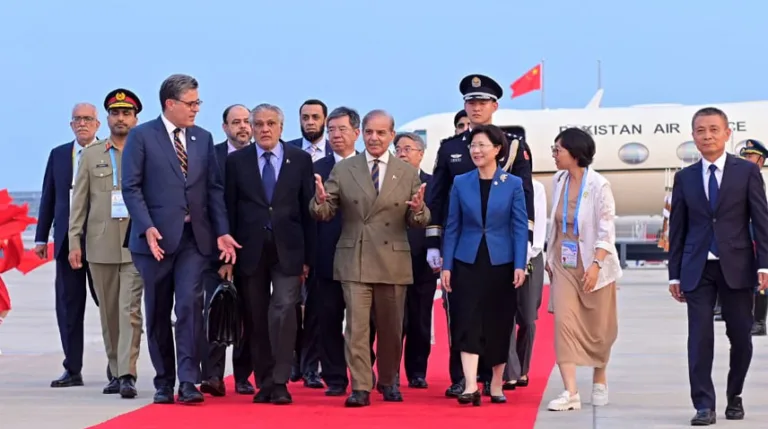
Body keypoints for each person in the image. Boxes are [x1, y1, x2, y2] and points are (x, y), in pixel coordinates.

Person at [121, 74, 240, 405]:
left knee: (189, 305)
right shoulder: (142, 137)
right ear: (170, 104)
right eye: (191, 103)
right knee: (158, 310)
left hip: (194, 239)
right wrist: (146, 226)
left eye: (198, 103)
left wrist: (223, 231)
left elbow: (213, 189)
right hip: (154, 243)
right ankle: (164, 381)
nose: (196, 110)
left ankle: (188, 380)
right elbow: (131, 186)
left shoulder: (202, 138)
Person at [309, 109, 430, 407]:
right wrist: (319, 200)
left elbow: (420, 219)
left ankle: (389, 380)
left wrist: (417, 209)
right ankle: (360, 385)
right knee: (357, 328)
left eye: (381, 133)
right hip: (355, 258)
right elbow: (325, 213)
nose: (374, 138)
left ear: (392, 135)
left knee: (391, 328)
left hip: (393, 259)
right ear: (362, 133)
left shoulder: (406, 172)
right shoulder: (345, 169)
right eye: (369, 132)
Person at [425, 74, 534, 397]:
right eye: (470, 102)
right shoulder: (451, 148)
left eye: (482, 102)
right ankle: (463, 379)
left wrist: (522, 252)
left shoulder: (514, 147)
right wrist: (435, 243)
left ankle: (492, 378)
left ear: (494, 106)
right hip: (464, 249)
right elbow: (438, 198)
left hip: (500, 250)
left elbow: (522, 202)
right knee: (462, 314)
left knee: (498, 315)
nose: (476, 107)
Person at [668, 107, 768, 425]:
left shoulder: (747, 172)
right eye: (700, 130)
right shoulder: (684, 178)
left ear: (727, 134)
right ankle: (703, 405)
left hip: (738, 266)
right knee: (699, 336)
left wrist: (764, 266)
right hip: (697, 268)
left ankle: (734, 394)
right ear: (693, 136)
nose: (707, 135)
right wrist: (674, 274)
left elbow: (761, 221)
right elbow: (678, 229)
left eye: (713, 129)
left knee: (741, 336)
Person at [221, 103, 316, 405]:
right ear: (251, 127)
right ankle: (264, 382)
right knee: (256, 317)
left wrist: (308, 258)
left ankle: (281, 380)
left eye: (270, 124)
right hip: (249, 252)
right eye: (258, 124)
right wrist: (226, 258)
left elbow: (307, 210)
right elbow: (229, 209)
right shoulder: (237, 162)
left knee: (285, 310)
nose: (264, 129)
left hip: (289, 250)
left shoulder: (299, 160)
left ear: (280, 127)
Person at [440, 125, 527, 406]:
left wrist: (520, 263)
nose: (476, 151)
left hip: (501, 263)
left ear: (497, 150)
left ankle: (497, 384)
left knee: (499, 323)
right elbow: (452, 225)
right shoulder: (461, 182)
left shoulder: (512, 184)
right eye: (473, 146)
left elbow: (519, 226)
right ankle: (469, 385)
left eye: (482, 146)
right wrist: (447, 265)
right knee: (466, 320)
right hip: (467, 261)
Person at [68, 88, 144, 398]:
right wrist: (75, 240)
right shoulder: (91, 154)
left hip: (136, 243)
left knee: (130, 311)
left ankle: (127, 373)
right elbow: (80, 201)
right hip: (99, 245)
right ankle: (114, 369)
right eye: (115, 113)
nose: (121, 118)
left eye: (127, 113)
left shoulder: (146, 151)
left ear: (136, 118)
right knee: (109, 312)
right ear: (108, 118)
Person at [544, 128, 622, 412]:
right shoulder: (558, 179)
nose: (554, 155)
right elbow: (555, 223)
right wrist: (550, 257)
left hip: (594, 261)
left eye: (558, 150)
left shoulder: (600, 185)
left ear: (574, 154)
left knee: (599, 327)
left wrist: (596, 263)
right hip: (564, 262)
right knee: (563, 323)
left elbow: (606, 228)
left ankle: (599, 377)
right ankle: (570, 392)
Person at [37, 102, 100, 388]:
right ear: (71, 124)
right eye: (77, 119)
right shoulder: (60, 155)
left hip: (102, 242)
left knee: (111, 307)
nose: (83, 124)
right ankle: (72, 368)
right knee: (68, 308)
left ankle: (119, 368)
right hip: (65, 243)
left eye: (88, 119)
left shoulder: (110, 152)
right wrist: (41, 237)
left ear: (98, 124)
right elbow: (49, 197)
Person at [199, 104, 255, 397]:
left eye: (247, 122)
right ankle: (212, 375)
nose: (243, 127)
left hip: (250, 250)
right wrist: (222, 254)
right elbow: (209, 206)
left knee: (246, 313)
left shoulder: (259, 158)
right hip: (215, 250)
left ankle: (243, 375)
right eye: (236, 122)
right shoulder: (213, 157)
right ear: (225, 127)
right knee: (216, 310)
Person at [394, 131, 438, 388]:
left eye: (408, 148)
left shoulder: (433, 184)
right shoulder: (389, 182)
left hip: (423, 261)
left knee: (420, 320)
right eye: (398, 148)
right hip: (393, 259)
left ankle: (417, 371)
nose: (402, 153)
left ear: (421, 154)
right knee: (393, 321)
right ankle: (390, 372)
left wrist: (436, 249)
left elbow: (438, 218)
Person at [504, 177, 547, 389]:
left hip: (531, 256)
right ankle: (511, 371)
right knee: (506, 317)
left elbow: (538, 227)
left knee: (528, 317)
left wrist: (524, 257)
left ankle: (523, 367)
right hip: (503, 257)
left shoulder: (535, 187)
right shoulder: (498, 183)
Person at [738, 138, 768, 337]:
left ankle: (759, 322)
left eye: (751, 156)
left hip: (761, 235)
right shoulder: (741, 178)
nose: (747, 159)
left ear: (761, 160)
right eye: (746, 156)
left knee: (762, 278)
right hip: (746, 233)